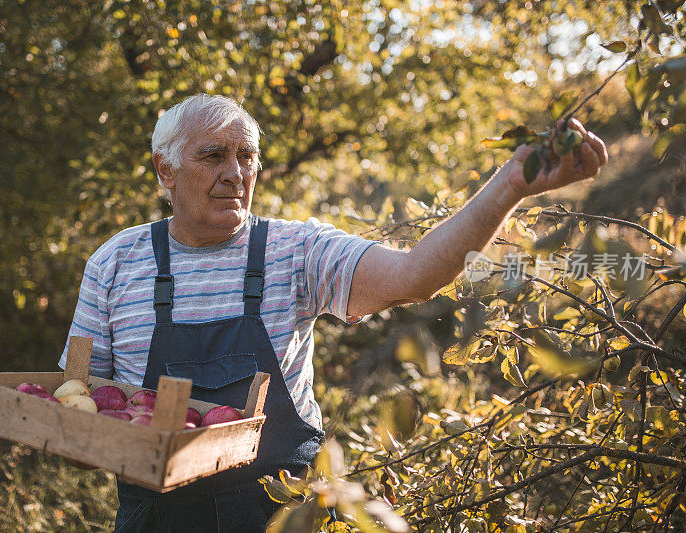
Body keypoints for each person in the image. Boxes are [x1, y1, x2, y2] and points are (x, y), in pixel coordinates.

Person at [59, 94, 608, 532]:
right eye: (212, 156)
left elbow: (411, 276)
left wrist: (509, 186)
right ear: (165, 171)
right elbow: (77, 398)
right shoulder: (114, 264)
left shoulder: (294, 251)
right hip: (157, 521)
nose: (236, 172)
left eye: (246, 156)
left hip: (281, 515)